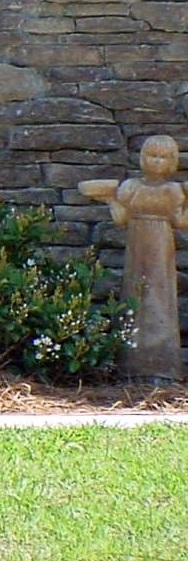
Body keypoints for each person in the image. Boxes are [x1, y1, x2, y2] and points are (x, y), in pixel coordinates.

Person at [80, 135, 188, 381]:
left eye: (163, 157)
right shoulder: (131, 187)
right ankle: (131, 365)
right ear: (143, 158)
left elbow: (181, 222)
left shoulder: (173, 190)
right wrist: (109, 198)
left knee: (160, 296)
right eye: (152, 156)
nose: (157, 162)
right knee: (134, 295)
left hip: (163, 245)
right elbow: (120, 218)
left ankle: (163, 366)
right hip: (137, 245)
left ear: (172, 162)